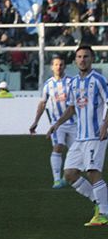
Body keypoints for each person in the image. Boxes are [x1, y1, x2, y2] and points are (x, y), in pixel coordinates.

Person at [47, 45, 108, 226]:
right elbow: (72, 107)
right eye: (79, 57)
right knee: (70, 174)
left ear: (92, 59)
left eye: (86, 57)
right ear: (75, 60)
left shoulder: (98, 80)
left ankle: (104, 213)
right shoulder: (73, 83)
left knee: (92, 172)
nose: (82, 60)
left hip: (96, 135)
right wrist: (57, 123)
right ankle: (99, 202)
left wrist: (105, 125)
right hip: (80, 137)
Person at [30, 56, 75, 188]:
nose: (58, 67)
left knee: (75, 152)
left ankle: (66, 176)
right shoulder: (48, 84)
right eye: (56, 65)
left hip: (74, 122)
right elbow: (43, 103)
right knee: (58, 146)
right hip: (57, 124)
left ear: (64, 66)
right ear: (51, 67)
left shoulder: (72, 82)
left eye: (61, 65)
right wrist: (35, 121)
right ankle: (56, 179)